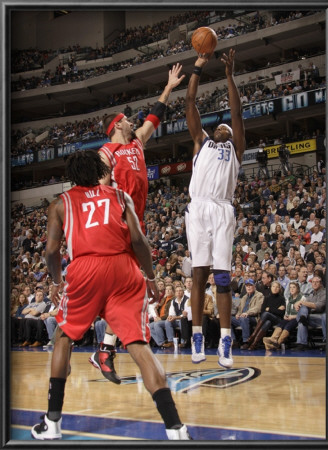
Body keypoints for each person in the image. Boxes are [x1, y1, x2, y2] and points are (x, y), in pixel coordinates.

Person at [31, 151, 191, 441]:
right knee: (139, 345)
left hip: (85, 268)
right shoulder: (119, 196)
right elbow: (138, 241)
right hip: (123, 268)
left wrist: (56, 282)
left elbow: (52, 251)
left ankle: (52, 423)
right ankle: (176, 429)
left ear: (71, 175)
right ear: (98, 170)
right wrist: (150, 276)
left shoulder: (60, 204)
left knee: (64, 337)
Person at [91, 63, 185, 382]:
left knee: (134, 290)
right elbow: (99, 189)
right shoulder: (106, 153)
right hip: (117, 225)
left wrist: (169, 86)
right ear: (118, 125)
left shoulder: (137, 143)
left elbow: (156, 115)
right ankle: (105, 347)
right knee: (131, 288)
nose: (135, 122)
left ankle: (105, 348)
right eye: (129, 120)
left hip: (135, 223)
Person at [185, 48, 246, 367]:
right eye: (221, 127)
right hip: (198, 209)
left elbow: (237, 114)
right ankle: (197, 335)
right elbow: (190, 103)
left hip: (223, 210)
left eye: (229, 129)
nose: (225, 127)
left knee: (222, 278)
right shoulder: (202, 141)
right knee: (198, 275)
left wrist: (229, 76)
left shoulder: (235, 149)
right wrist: (198, 67)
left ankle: (225, 340)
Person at [263, 281, 304, 350]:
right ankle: (273, 339)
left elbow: (303, 313)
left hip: (297, 318)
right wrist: (285, 316)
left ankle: (277, 344)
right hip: (288, 317)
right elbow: (286, 312)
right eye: (290, 287)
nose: (292, 289)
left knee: (287, 326)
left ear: (298, 289)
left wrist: (293, 317)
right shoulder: (288, 299)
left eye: (294, 287)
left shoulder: (302, 298)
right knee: (281, 324)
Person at [246, 280, 286, 350]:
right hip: (268, 319)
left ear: (279, 289)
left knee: (267, 314)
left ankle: (252, 336)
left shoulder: (282, 299)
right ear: (271, 287)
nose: (275, 288)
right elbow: (262, 310)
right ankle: (254, 343)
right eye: (273, 286)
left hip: (277, 319)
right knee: (267, 322)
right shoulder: (267, 298)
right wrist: (276, 309)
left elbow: (281, 313)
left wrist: (270, 309)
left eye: (277, 287)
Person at [292, 276, 326, 351]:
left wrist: (301, 302)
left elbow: (319, 306)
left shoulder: (325, 293)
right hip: (312, 318)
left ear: (320, 283)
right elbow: (304, 304)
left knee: (304, 310)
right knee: (302, 316)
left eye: (317, 282)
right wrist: (297, 304)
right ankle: (302, 344)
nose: (315, 283)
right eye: (313, 282)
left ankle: (326, 341)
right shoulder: (311, 294)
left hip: (322, 319)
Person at [231, 279, 264, 349]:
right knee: (228, 319)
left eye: (250, 286)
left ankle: (246, 342)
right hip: (242, 317)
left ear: (254, 286)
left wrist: (247, 313)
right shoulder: (244, 297)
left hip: (253, 318)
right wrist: (238, 314)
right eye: (247, 286)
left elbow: (258, 308)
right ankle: (234, 341)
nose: (248, 287)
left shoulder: (259, 295)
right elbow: (240, 309)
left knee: (244, 318)